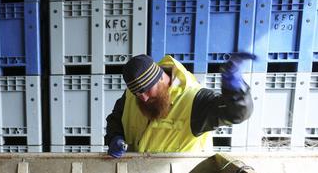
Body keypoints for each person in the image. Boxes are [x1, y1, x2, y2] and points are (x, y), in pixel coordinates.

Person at [105, 53, 255, 157]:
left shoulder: (195, 100)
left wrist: (235, 90)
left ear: (161, 79)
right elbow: (115, 119)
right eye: (137, 93)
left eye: (146, 90)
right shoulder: (133, 95)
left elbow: (236, 114)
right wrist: (115, 137)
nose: (143, 98)